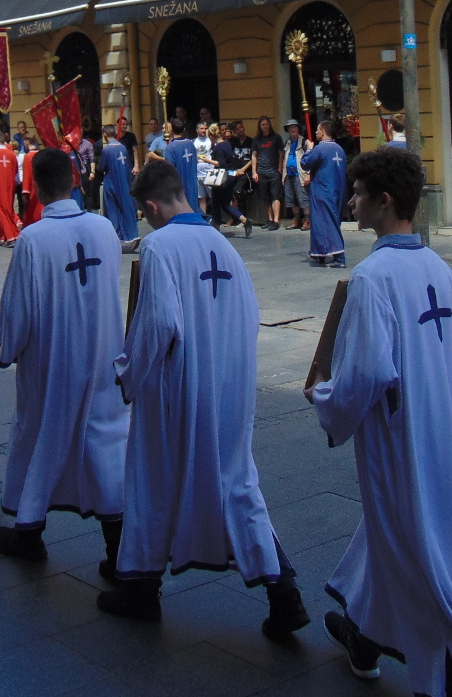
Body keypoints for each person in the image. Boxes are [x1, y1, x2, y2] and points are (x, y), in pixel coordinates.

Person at [312, 148, 452, 693]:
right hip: (439, 431)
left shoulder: (373, 277)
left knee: (412, 543)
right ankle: (363, 633)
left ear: (386, 201)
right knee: (402, 531)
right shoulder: (438, 269)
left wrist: (324, 400)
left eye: (358, 193)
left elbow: (365, 375)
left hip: (394, 441)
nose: (350, 201)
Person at [102, 158, 307, 638]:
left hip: (176, 388)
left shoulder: (159, 247)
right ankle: (284, 592)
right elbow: (249, 313)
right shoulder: (223, 244)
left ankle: (140, 587)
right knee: (236, 483)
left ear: (152, 206)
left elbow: (156, 324)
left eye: (145, 212)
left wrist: (129, 374)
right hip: (227, 384)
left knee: (153, 480)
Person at [0, 148, 129, 567]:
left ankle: (30, 529)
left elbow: (16, 308)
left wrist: (9, 348)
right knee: (105, 443)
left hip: (53, 362)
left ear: (33, 186)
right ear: (74, 179)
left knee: (39, 438)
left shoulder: (34, 238)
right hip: (104, 356)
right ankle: (119, 548)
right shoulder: (105, 229)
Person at [302, 120, 347, 267]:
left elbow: (306, 163)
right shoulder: (340, 149)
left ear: (323, 131)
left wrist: (309, 148)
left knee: (327, 222)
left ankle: (339, 257)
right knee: (321, 222)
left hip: (322, 189)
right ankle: (320, 252)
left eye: (317, 130)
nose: (315, 133)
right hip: (337, 189)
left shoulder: (320, 149)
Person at [98, 125, 137, 243]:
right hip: (124, 181)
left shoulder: (106, 150)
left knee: (112, 209)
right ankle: (130, 234)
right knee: (125, 206)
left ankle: (115, 235)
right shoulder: (123, 147)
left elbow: (101, 167)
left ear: (105, 135)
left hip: (111, 182)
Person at [252, 117, 286, 231]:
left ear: (269, 125)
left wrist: (280, 169)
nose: (265, 126)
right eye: (262, 125)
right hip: (262, 172)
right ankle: (270, 219)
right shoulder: (256, 140)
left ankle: (276, 220)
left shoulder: (276, 138)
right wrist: (254, 172)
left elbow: (281, 154)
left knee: (275, 196)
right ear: (260, 126)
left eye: (266, 124)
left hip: (274, 171)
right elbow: (254, 156)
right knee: (265, 197)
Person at [164, 122, 201, 213]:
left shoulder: (171, 147)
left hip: (179, 183)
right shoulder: (190, 143)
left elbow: (169, 168)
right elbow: (195, 160)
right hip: (192, 181)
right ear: (184, 130)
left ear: (171, 130)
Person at [283, 121, 307, 231]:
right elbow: (284, 159)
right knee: (292, 200)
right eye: (290, 128)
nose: (292, 130)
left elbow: (309, 157)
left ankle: (307, 220)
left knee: (303, 199)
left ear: (298, 129)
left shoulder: (304, 142)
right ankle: (296, 220)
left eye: (294, 127)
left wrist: (308, 174)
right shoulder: (287, 143)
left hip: (300, 175)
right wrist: (283, 175)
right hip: (289, 175)